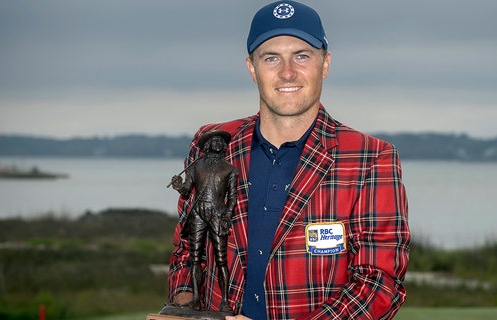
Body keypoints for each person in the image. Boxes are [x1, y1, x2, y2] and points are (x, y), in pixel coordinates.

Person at [167, 1, 410, 319]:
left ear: (325, 64)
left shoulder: (370, 158)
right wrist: (185, 304)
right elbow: (187, 247)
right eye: (271, 58)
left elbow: (378, 284)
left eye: (302, 56)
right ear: (252, 68)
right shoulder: (213, 144)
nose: (287, 72)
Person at [170, 130, 238, 313]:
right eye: (214, 141)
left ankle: (224, 301)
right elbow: (186, 190)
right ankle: (196, 299)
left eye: (220, 142)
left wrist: (227, 215)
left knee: (221, 259)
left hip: (217, 213)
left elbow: (232, 197)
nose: (217, 143)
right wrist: (178, 185)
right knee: (195, 257)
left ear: (223, 147)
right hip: (198, 214)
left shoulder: (230, 169)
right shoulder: (195, 166)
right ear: (207, 146)